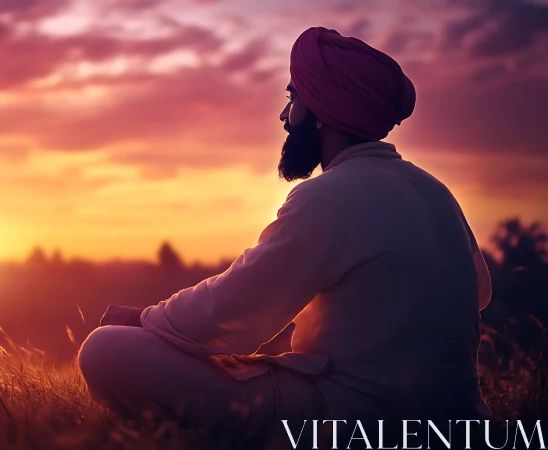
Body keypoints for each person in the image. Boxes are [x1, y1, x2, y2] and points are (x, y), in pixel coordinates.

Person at [77, 26, 493, 446]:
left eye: (294, 98)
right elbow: (477, 294)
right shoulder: (436, 192)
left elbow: (233, 310)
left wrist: (145, 318)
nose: (284, 116)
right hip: (459, 425)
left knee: (106, 349)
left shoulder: (328, 195)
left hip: (349, 421)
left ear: (321, 113)